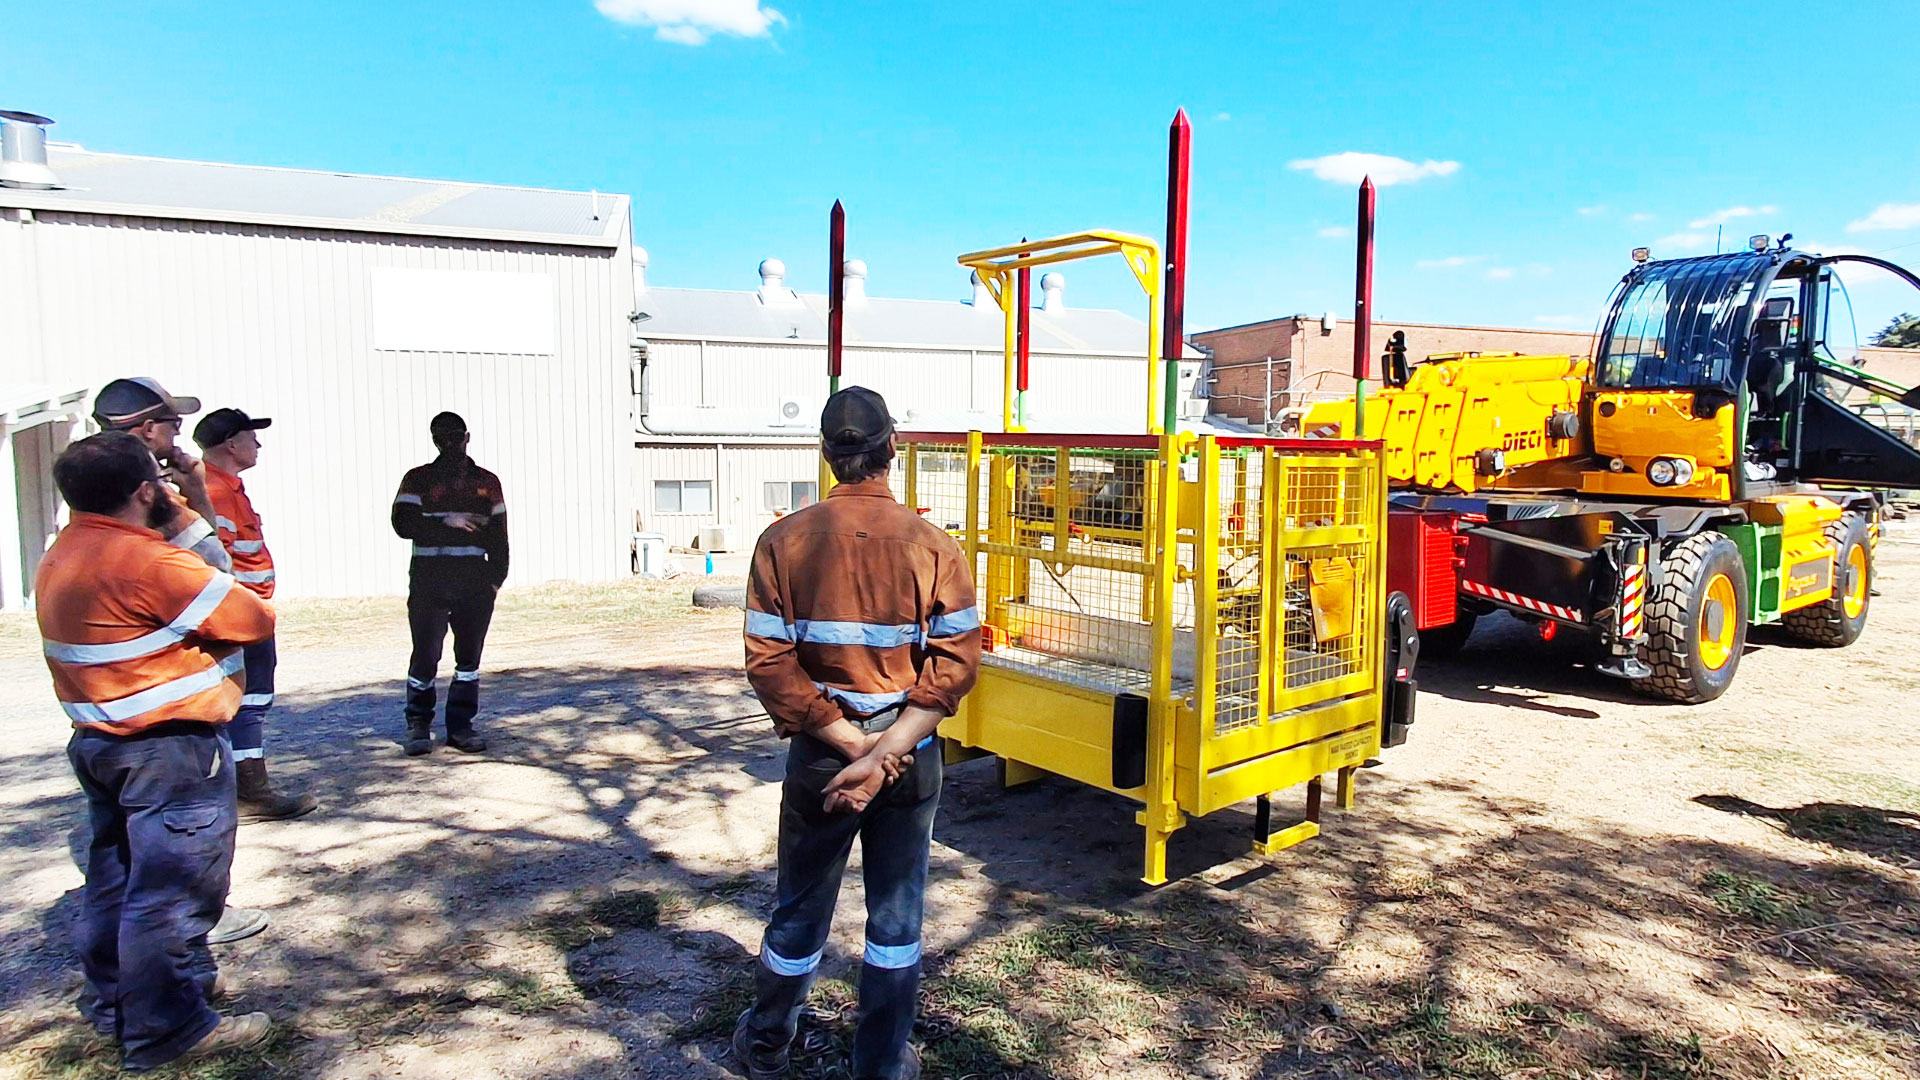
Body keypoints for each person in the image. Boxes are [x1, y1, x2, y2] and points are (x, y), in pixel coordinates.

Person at [734, 386, 981, 1080]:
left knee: (800, 909)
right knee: (896, 924)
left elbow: (769, 662)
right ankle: (880, 1064)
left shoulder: (782, 541)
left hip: (823, 760)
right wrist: (886, 751)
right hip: (909, 758)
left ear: (826, 453)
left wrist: (846, 744)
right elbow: (956, 666)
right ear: (892, 447)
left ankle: (765, 1048)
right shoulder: (934, 545)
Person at [37, 432, 277, 1070]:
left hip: (102, 744)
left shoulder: (66, 550)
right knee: (171, 894)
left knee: (114, 884)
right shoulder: (146, 561)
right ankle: (170, 1028)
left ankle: (126, 1001)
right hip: (168, 749)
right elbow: (250, 617)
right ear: (146, 491)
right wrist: (184, 513)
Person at [93, 377, 269, 946]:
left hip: (108, 721)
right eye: (171, 424)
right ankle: (177, 993)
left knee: (119, 856)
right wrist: (186, 488)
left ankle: (128, 983)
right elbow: (216, 576)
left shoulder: (88, 520)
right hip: (167, 723)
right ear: (147, 432)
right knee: (172, 857)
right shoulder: (151, 509)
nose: (179, 434)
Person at [194, 408, 317, 823]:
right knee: (247, 702)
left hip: (251, 613)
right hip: (239, 618)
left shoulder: (227, 488)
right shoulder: (212, 493)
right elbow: (212, 564)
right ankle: (250, 793)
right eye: (252, 437)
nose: (258, 445)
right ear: (231, 445)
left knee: (252, 700)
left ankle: (245, 788)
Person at [390, 412, 508, 756]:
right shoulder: (418, 480)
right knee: (426, 655)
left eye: (456, 436)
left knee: (468, 659)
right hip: (429, 584)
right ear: (435, 440)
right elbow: (403, 523)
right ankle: (418, 724)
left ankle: (461, 726)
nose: (452, 443)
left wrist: (494, 582)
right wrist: (448, 521)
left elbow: (499, 537)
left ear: (467, 437)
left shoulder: (487, 481)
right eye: (445, 437)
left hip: (474, 585)